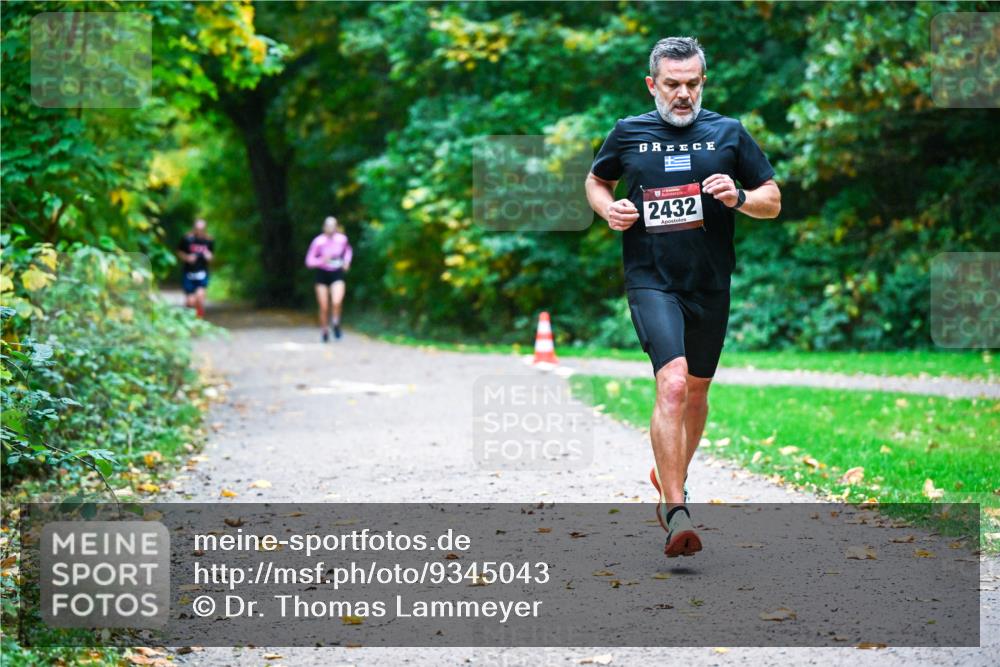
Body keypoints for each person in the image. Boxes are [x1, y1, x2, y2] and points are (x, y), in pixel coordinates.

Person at [585, 37, 781, 557]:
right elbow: (597, 181)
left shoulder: (728, 132)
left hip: (710, 282)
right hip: (651, 278)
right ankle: (677, 512)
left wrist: (739, 197)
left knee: (696, 392)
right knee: (671, 383)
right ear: (652, 84)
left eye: (693, 83)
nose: (683, 94)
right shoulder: (629, 132)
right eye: (672, 84)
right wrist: (608, 210)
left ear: (703, 82)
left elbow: (772, 200)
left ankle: (670, 471)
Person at [305, 216, 353, 342]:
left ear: (336, 227)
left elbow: (348, 251)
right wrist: (322, 260)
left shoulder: (342, 239)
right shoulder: (318, 241)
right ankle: (324, 330)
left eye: (333, 225)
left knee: (337, 301)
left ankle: (336, 322)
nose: (330, 228)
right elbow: (309, 261)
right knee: (324, 306)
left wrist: (347, 262)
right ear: (324, 227)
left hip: (337, 272)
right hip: (322, 273)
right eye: (328, 225)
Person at [177, 218, 214, 319]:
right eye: (198, 229)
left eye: (202, 229)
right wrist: (187, 257)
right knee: (191, 301)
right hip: (188, 272)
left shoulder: (209, 240)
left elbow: (212, 256)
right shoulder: (187, 239)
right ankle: (188, 319)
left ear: (205, 229)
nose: (199, 231)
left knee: (200, 298)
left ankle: (199, 320)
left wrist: (209, 257)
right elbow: (179, 252)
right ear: (194, 228)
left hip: (202, 272)